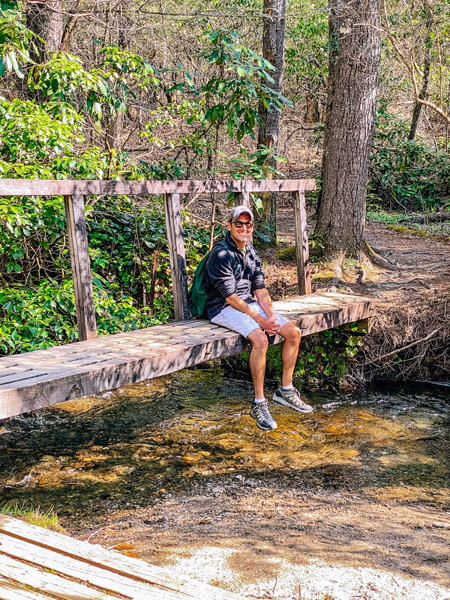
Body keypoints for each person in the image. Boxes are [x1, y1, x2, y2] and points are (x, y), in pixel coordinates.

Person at [205, 205, 313, 431]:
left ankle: (285, 390)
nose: (244, 228)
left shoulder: (251, 252)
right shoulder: (221, 254)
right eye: (239, 224)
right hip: (221, 307)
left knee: (293, 332)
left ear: (252, 227)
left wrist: (271, 318)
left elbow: (260, 290)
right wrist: (260, 322)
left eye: (248, 224)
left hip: (247, 303)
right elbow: (231, 298)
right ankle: (259, 403)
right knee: (260, 339)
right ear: (229, 226)